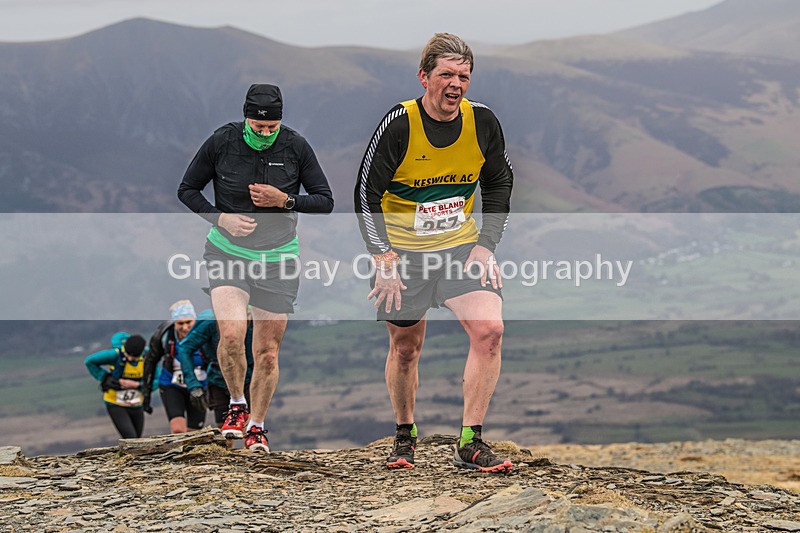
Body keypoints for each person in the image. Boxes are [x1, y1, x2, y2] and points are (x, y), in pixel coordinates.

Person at [354, 33, 514, 473]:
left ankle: (471, 441)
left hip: (460, 247)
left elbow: (499, 181)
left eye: (464, 76)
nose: (456, 84)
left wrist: (487, 244)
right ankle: (405, 438)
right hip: (402, 252)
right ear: (424, 76)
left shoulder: (482, 122)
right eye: (446, 74)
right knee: (406, 346)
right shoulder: (400, 123)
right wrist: (382, 257)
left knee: (490, 331)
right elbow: (366, 192)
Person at [177, 83, 334, 452]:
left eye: (272, 128)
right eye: (258, 127)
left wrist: (286, 200)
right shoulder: (222, 141)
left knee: (267, 351)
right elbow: (187, 189)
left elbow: (325, 200)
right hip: (227, 251)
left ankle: (258, 426)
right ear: (246, 118)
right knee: (231, 335)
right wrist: (220, 219)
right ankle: (235, 404)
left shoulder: (295, 146)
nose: (265, 134)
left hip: (278, 257)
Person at [177, 307, 255, 447]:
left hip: (249, 378)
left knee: (249, 426)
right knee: (224, 429)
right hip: (218, 377)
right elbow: (185, 348)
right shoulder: (210, 324)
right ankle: (227, 462)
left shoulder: (257, 324)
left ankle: (252, 456)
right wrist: (193, 384)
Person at [142, 300, 208, 433]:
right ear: (174, 323)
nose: (185, 327)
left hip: (199, 385)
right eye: (180, 323)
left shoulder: (205, 333)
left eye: (188, 322)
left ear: (194, 320)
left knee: (195, 432)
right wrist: (146, 393)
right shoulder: (164, 335)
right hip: (171, 385)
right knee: (178, 429)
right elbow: (150, 362)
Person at [84, 333, 150, 439]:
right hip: (115, 403)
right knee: (130, 438)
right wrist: (105, 377)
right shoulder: (115, 354)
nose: (129, 358)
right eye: (127, 354)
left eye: (134, 357)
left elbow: (156, 380)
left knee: (137, 440)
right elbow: (89, 361)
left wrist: (137, 385)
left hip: (136, 404)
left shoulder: (148, 357)